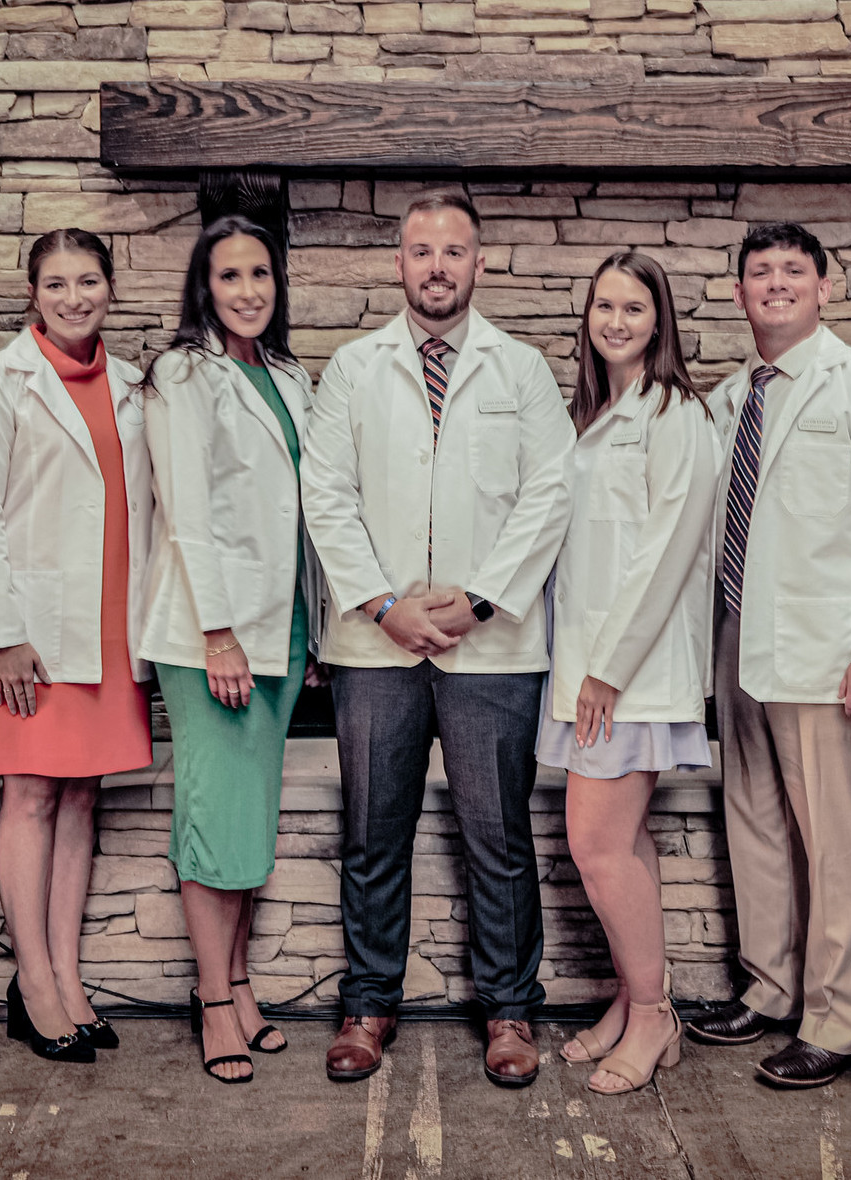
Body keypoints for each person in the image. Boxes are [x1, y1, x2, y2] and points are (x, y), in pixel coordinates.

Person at [302, 191, 575, 1087]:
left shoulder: (523, 370)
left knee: (496, 834)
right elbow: (327, 496)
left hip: (489, 649)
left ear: (479, 262)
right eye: (422, 251)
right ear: (399, 263)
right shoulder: (352, 369)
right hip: (375, 646)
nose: (437, 267)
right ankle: (369, 1002)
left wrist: (481, 603)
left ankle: (509, 1011)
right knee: (374, 831)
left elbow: (550, 495)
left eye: (454, 251)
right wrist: (385, 606)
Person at [689, 222, 851, 1088]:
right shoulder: (727, 398)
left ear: (827, 286)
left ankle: (841, 1021)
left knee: (837, 842)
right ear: (741, 292)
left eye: (795, 270)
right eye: (760, 272)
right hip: (737, 641)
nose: (777, 283)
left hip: (831, 656)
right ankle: (770, 986)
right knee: (754, 823)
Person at [0, 228, 153, 1063]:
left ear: (110, 287)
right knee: (29, 795)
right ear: (32, 294)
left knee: (80, 799)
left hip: (105, 629)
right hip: (27, 636)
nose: (75, 297)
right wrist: (3, 635)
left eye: (89, 280)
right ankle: (32, 985)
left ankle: (69, 978)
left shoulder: (134, 384)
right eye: (58, 284)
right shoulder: (1, 383)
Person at [139, 215, 325, 1084]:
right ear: (203, 288)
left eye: (261, 274)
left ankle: (241, 982)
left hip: (280, 628)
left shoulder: (287, 374)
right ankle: (213, 1002)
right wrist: (216, 630)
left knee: (250, 819)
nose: (248, 291)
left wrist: (316, 627)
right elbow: (187, 511)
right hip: (210, 634)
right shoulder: (183, 372)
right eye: (229, 277)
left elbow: (306, 513)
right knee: (215, 817)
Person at [542, 253, 720, 1095]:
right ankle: (633, 998)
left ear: (661, 320)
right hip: (591, 667)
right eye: (603, 306)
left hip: (630, 675)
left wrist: (609, 671)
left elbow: (667, 553)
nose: (616, 321)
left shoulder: (675, 413)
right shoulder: (597, 413)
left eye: (634, 307)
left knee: (597, 843)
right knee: (625, 842)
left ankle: (653, 1016)